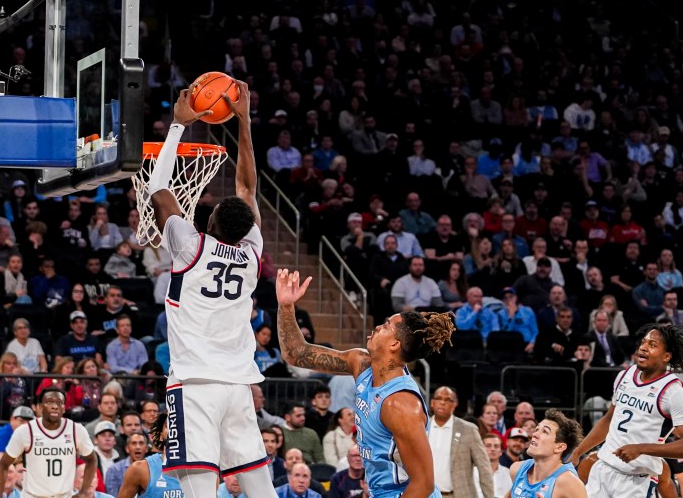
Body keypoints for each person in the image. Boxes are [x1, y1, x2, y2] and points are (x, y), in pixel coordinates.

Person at [146, 83, 276, 498]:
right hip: (238, 386)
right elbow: (247, 189)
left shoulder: (190, 246)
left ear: (212, 222)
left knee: (199, 492)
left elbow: (158, 191)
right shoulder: (253, 255)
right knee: (260, 488)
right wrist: (244, 120)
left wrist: (178, 127)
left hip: (194, 385)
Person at [277, 269, 453, 497]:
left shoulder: (400, 404)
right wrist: (286, 306)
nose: (379, 326)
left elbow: (423, 483)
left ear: (394, 345)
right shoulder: (360, 363)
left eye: (387, 325)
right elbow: (296, 353)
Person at [572, 323, 683, 497]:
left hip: (636, 480)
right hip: (603, 471)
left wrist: (641, 448)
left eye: (652, 345)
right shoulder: (625, 375)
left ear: (666, 356)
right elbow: (609, 420)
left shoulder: (674, 392)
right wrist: (579, 450)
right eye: (643, 342)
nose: (643, 348)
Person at [0, 388, 97, 498]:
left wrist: (83, 492)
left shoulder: (76, 430)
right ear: (40, 407)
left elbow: (92, 460)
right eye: (50, 402)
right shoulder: (25, 431)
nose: (55, 406)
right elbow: (3, 465)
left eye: (59, 403)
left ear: (63, 409)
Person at [428, 386, 492, 498]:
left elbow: (484, 468)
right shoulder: (421, 428)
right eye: (438, 398)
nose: (442, 402)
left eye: (448, 400)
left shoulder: (468, 430)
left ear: (455, 404)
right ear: (432, 403)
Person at [506, 410, 586, 498]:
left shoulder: (568, 483)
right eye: (537, 429)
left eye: (545, 431)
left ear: (559, 447)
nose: (535, 434)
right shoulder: (516, 469)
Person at [114, 414, 183, 498]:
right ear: (160, 435)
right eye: (168, 425)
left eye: (180, 425)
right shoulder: (140, 469)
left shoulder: (200, 469)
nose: (174, 429)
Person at [0, 406, 33, 471]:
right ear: (12, 419)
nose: (25, 425)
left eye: (29, 422)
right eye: (22, 421)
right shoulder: (2, 433)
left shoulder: (26, 435)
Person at [104, 432, 148, 496]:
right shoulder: (114, 470)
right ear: (127, 449)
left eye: (141, 443)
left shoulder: (153, 469)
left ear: (146, 449)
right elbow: (112, 496)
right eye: (134, 443)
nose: (138, 447)